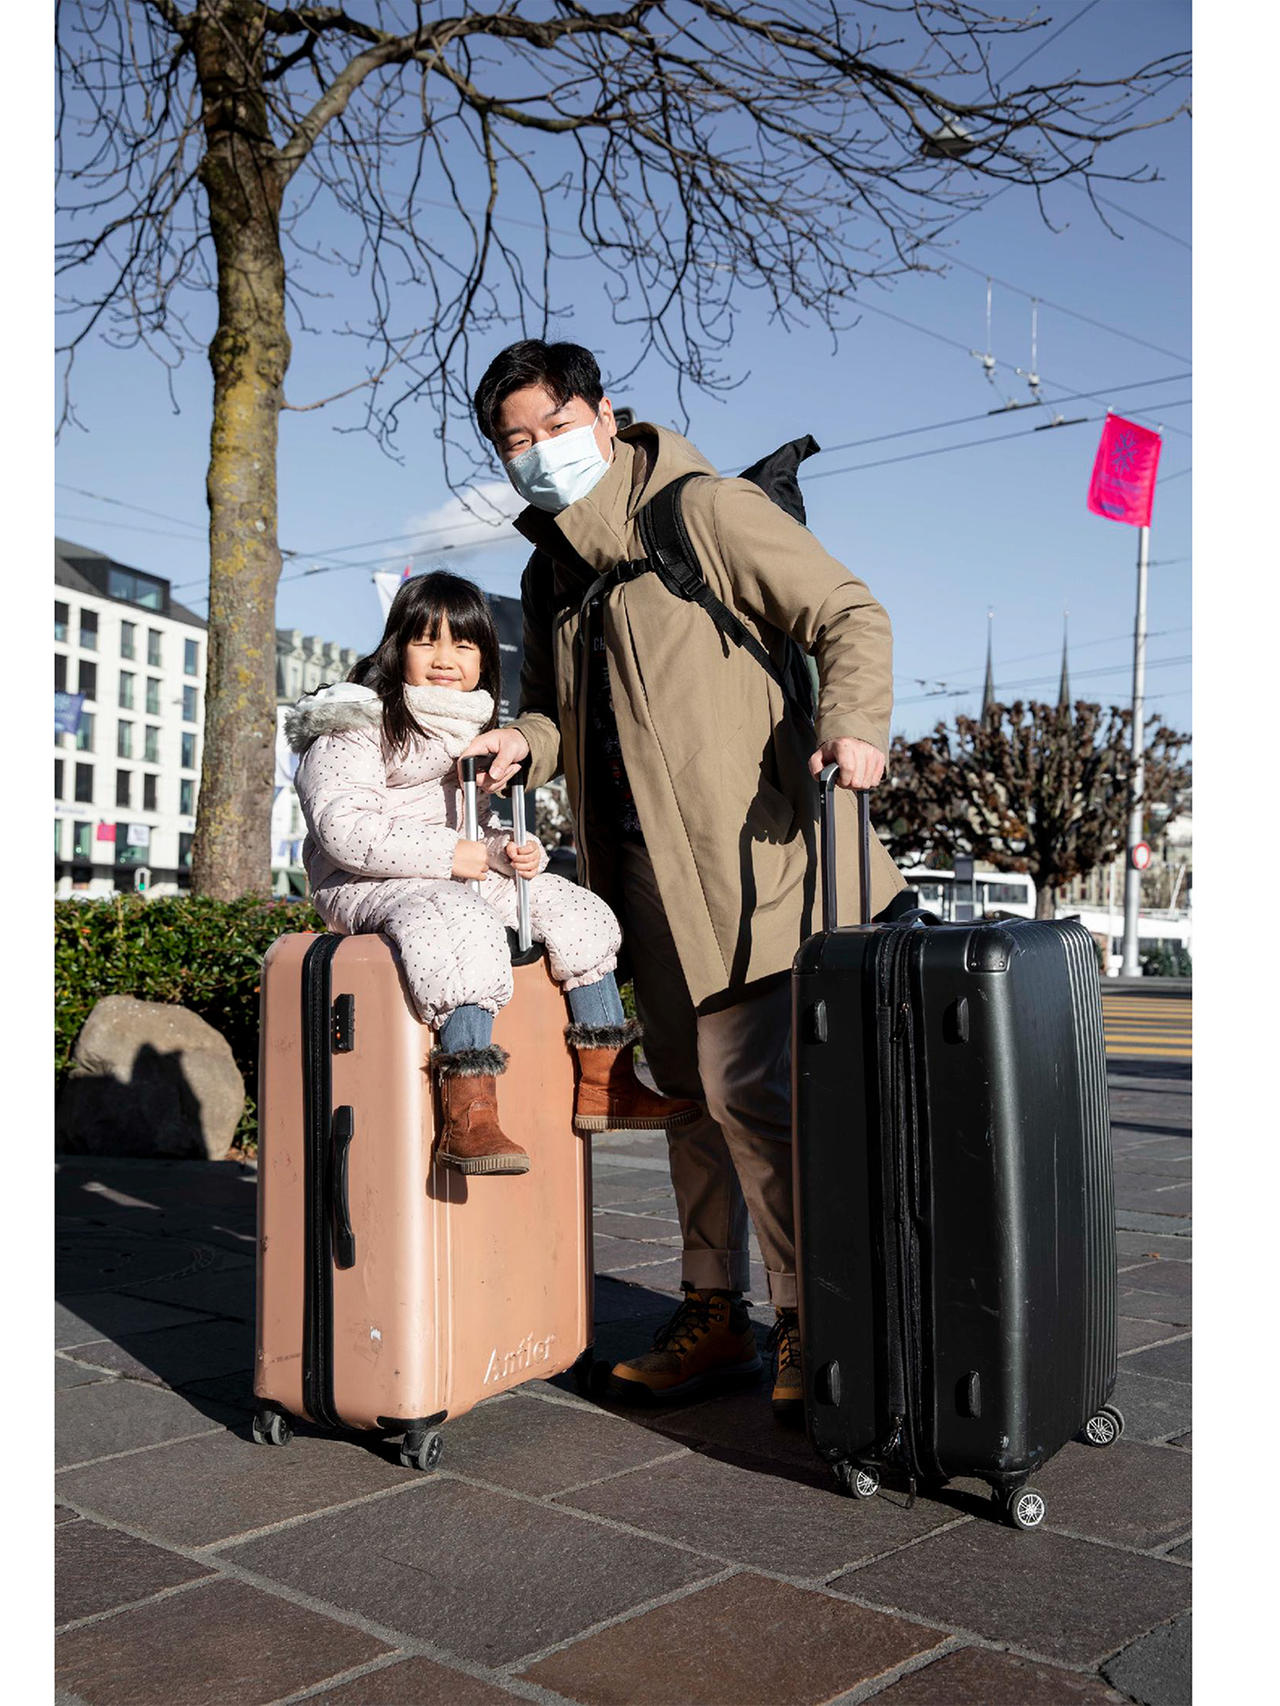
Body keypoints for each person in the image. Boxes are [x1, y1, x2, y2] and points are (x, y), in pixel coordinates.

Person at [459, 338, 902, 1417]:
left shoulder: (699, 512)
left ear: (604, 416)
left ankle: (805, 1311)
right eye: (512, 442)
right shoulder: (552, 566)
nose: (534, 454)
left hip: (755, 859)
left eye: (550, 429)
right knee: (692, 1100)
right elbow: (563, 711)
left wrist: (852, 726)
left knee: (754, 1090)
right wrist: (524, 739)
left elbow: (847, 611)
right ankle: (715, 1311)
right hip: (632, 870)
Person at [287, 571, 695, 1177]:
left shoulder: (470, 730)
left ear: (484, 658)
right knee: (461, 925)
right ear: (398, 646)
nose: (445, 659)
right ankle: (468, 1106)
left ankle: (607, 1081)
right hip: (362, 879)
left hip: (450, 870)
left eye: (465, 644)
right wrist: (458, 858)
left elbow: (474, 831)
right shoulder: (356, 724)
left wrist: (508, 852)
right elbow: (343, 828)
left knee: (573, 909)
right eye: (427, 641)